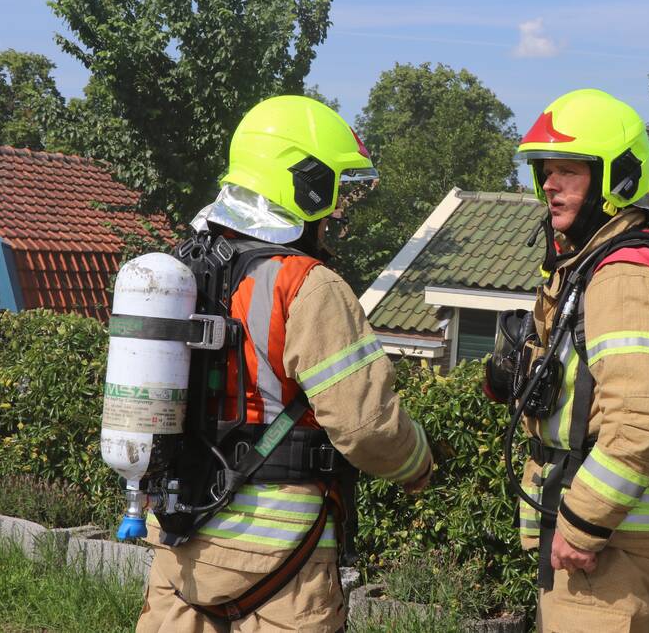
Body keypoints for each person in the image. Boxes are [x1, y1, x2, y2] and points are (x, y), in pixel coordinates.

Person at [136, 95, 432, 633]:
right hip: (279, 573)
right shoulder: (308, 285)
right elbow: (368, 428)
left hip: (179, 555)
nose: (339, 209)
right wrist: (418, 465)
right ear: (307, 185)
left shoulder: (178, 270)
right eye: (336, 191)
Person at [510, 89, 649, 631]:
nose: (549, 183)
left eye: (570, 170)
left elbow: (640, 420)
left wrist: (583, 523)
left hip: (610, 557)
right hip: (599, 548)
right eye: (546, 170)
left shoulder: (622, 276)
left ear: (617, 179)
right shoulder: (588, 267)